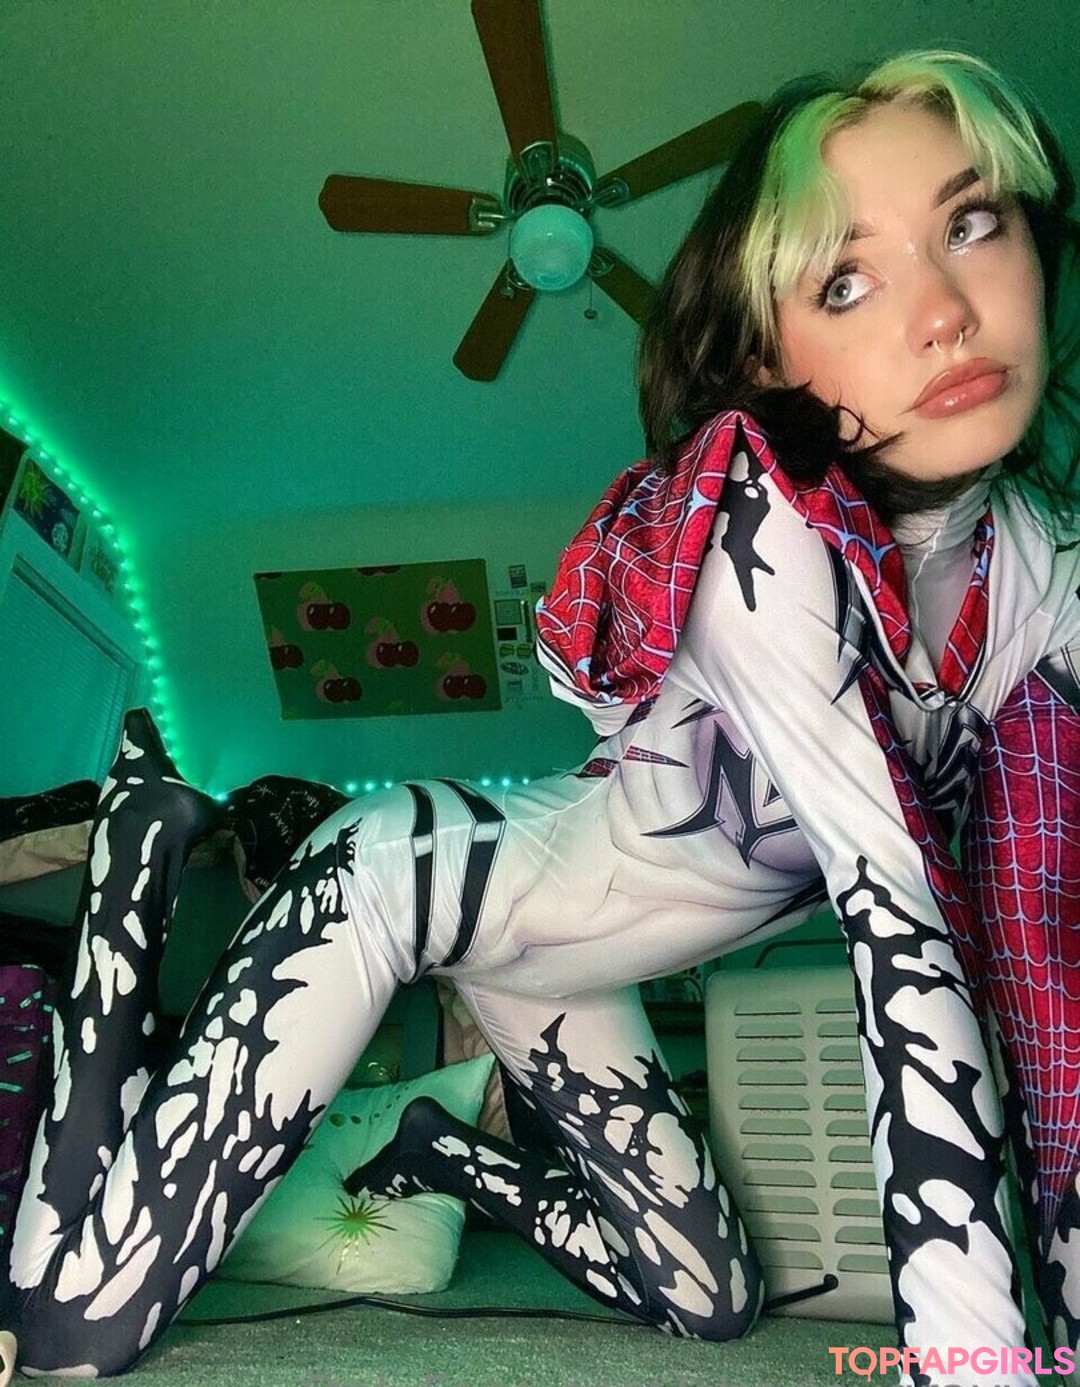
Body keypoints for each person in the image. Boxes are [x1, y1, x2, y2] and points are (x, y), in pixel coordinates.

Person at [4, 48, 1079, 1386]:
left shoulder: (1043, 568)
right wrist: (978, 1364)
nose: (945, 314)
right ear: (769, 358)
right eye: (847, 281)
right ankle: (129, 877)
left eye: (971, 224)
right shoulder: (761, 519)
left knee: (711, 1305)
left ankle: (443, 1154)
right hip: (409, 883)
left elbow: (1040, 959)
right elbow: (904, 920)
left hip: (556, 968)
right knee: (71, 1327)